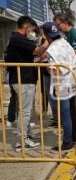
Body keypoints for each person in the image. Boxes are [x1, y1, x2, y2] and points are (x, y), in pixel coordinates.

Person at [5, 16, 48, 152]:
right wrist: (47, 40)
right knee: (25, 111)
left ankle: (26, 135)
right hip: (22, 80)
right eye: (32, 28)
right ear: (26, 26)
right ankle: (21, 142)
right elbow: (38, 50)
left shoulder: (17, 39)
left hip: (23, 79)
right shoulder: (18, 38)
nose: (32, 31)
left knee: (24, 110)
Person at [41, 22, 76, 151]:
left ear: (46, 35)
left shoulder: (52, 49)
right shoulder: (65, 43)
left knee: (65, 114)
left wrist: (45, 67)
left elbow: (54, 71)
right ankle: (74, 137)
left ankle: (67, 142)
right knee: (72, 112)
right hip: (72, 81)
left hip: (61, 84)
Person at [54, 13, 76, 129]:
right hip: (73, 68)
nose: (58, 27)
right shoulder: (67, 34)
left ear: (65, 22)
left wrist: (70, 65)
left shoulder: (73, 33)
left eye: (58, 24)